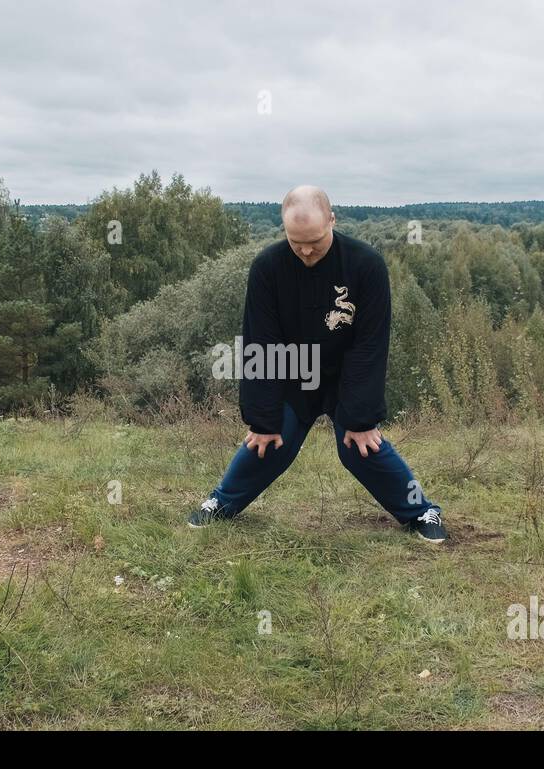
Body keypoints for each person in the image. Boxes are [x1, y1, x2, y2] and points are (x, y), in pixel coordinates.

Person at [187, 185, 446, 543]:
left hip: (347, 375)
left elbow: (370, 345)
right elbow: (261, 342)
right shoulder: (267, 268)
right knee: (269, 440)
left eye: (315, 241)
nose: (306, 251)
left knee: (360, 446)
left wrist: (360, 419)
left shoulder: (366, 265)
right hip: (293, 372)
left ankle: (422, 511)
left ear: (332, 221)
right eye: (296, 242)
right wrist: (262, 418)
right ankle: (221, 502)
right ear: (284, 228)